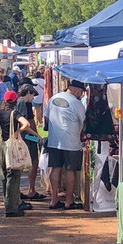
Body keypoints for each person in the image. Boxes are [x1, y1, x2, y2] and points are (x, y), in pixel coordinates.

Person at [44, 80, 87, 211]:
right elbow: (85, 121)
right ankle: (69, 201)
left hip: (54, 140)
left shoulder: (53, 98)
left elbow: (46, 118)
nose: (81, 95)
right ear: (76, 90)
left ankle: (53, 200)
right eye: (81, 92)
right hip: (71, 141)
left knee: (55, 168)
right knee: (70, 170)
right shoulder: (76, 103)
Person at [0, 90, 30, 217]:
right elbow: (26, 124)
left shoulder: (0, 113)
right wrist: (18, 132)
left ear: (5, 101)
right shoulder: (14, 113)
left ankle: (7, 202)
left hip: (3, 145)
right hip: (12, 146)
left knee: (4, 175)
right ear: (15, 101)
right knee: (14, 175)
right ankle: (12, 208)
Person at [15, 82, 44, 201]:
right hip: (26, 137)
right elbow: (26, 124)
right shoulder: (22, 103)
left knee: (26, 162)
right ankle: (27, 190)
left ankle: (21, 190)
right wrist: (37, 137)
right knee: (32, 160)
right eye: (32, 95)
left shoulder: (20, 102)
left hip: (24, 136)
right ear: (27, 92)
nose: (33, 98)